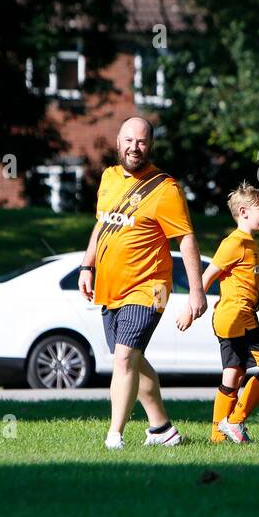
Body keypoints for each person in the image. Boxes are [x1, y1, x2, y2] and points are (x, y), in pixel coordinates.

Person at [78, 116, 206, 449]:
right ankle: (162, 429)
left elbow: (186, 240)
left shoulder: (165, 188)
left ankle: (114, 435)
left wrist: (196, 292)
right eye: (129, 141)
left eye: (142, 142)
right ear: (118, 142)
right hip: (110, 287)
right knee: (132, 359)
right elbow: (101, 226)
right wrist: (86, 266)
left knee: (123, 359)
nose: (135, 148)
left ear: (150, 145)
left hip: (152, 287)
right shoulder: (107, 178)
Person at [178, 182, 259, 443]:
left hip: (235, 317)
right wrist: (190, 308)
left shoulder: (250, 242)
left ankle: (218, 436)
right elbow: (208, 275)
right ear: (244, 212)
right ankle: (235, 421)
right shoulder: (234, 243)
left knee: (233, 374)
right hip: (238, 318)